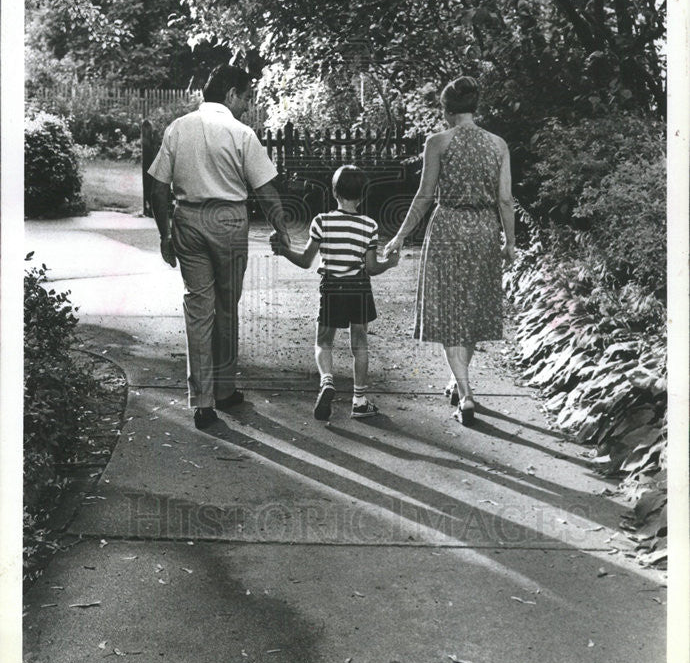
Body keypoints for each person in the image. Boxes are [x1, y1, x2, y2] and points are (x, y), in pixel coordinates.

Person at [148, 61, 290, 430]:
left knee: (198, 310)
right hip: (228, 221)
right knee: (226, 308)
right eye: (245, 97)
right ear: (230, 95)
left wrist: (165, 233)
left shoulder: (178, 129)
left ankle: (202, 401)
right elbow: (265, 188)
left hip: (189, 220)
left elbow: (158, 187)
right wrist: (282, 229)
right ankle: (225, 390)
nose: (246, 105)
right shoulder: (240, 132)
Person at [384, 76, 515, 426]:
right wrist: (510, 241)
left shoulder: (439, 142)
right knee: (470, 310)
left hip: (448, 229)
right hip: (485, 229)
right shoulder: (498, 144)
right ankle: (460, 383)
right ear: (475, 107)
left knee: (449, 313)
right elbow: (505, 199)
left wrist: (399, 236)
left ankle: (467, 394)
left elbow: (425, 196)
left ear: (446, 111)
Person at [270, 164, 399, 421]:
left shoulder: (322, 222)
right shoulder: (369, 226)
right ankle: (359, 401)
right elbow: (371, 268)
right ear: (363, 195)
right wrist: (390, 263)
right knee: (359, 343)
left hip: (331, 287)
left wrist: (284, 250)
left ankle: (327, 381)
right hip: (359, 287)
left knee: (324, 342)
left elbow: (307, 261)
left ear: (334, 192)